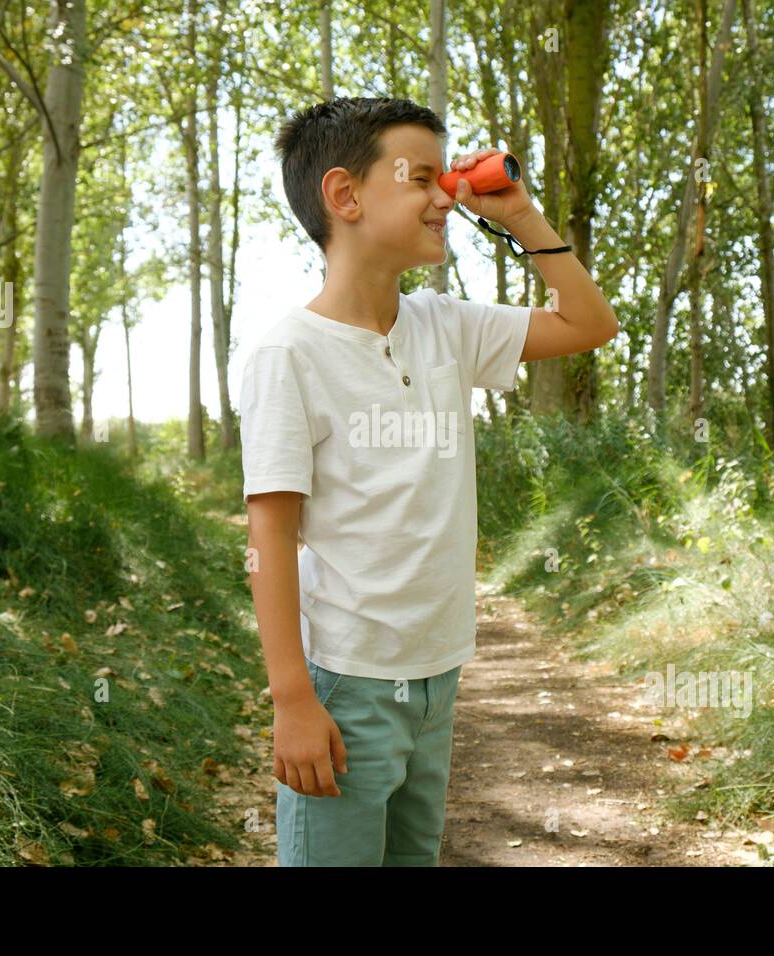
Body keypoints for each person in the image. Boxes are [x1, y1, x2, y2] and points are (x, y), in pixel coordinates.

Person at [240, 96, 618, 866]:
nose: (445, 193)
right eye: (420, 177)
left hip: (436, 677)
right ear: (344, 197)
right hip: (346, 684)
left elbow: (589, 323)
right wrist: (292, 701)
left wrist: (522, 217)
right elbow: (270, 535)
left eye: (446, 175)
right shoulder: (290, 355)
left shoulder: (445, 326)